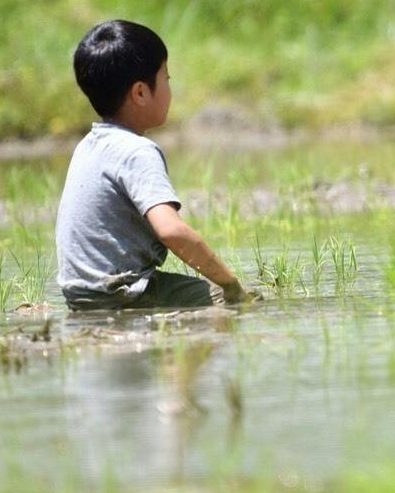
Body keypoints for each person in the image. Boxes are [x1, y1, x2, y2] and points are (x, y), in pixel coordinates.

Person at [55, 20, 252, 310]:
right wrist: (231, 284)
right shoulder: (137, 151)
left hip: (79, 295)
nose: (170, 89)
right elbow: (171, 231)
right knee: (237, 303)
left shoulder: (88, 145)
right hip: (124, 293)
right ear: (140, 93)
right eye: (167, 79)